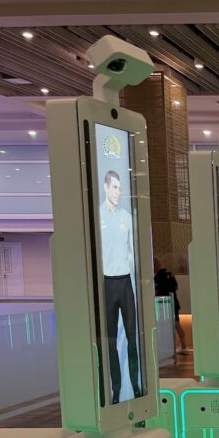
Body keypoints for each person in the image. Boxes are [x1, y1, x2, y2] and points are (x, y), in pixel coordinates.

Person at [99, 169, 142, 404]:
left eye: (120, 187)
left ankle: (135, 385)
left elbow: (131, 252)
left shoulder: (127, 217)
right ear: (106, 187)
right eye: (114, 187)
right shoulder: (98, 217)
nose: (118, 191)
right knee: (110, 340)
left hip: (125, 282)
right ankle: (115, 388)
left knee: (132, 337)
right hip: (107, 282)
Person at [154, 257, 188, 354]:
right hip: (174, 302)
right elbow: (176, 287)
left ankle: (168, 348)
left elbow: (156, 291)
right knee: (177, 324)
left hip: (164, 305)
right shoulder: (169, 273)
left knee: (167, 325)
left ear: (155, 265)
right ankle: (183, 345)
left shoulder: (158, 276)